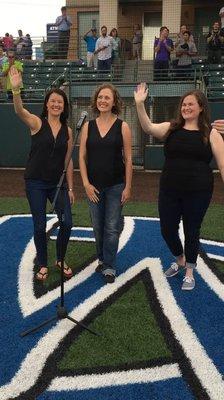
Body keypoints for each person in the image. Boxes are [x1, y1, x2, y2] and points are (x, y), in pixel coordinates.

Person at [134, 82, 224, 291]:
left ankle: (190, 271)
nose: (186, 108)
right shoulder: (171, 128)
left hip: (199, 191)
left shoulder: (210, 133)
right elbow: (148, 127)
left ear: (201, 107)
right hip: (169, 190)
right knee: (167, 229)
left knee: (192, 230)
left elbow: (222, 164)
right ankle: (180, 259)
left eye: (191, 104)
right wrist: (140, 104)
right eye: (184, 105)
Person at [9, 66, 74, 281]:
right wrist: (16, 90)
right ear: (47, 104)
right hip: (35, 182)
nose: (56, 104)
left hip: (58, 183)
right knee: (39, 224)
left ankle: (60, 258)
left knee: (67, 223)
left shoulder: (68, 131)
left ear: (64, 107)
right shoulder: (37, 123)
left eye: (60, 102)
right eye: (53, 101)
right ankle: (43, 263)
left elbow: (68, 161)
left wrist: (71, 187)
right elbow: (20, 111)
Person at [79, 83, 132, 283]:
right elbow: (82, 156)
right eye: (100, 97)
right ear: (96, 100)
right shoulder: (87, 126)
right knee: (97, 226)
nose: (103, 100)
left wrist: (128, 186)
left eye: (107, 98)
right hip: (93, 186)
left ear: (114, 102)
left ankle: (109, 265)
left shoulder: (123, 126)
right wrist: (85, 183)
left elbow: (128, 159)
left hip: (116, 186)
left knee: (111, 227)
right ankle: (102, 258)